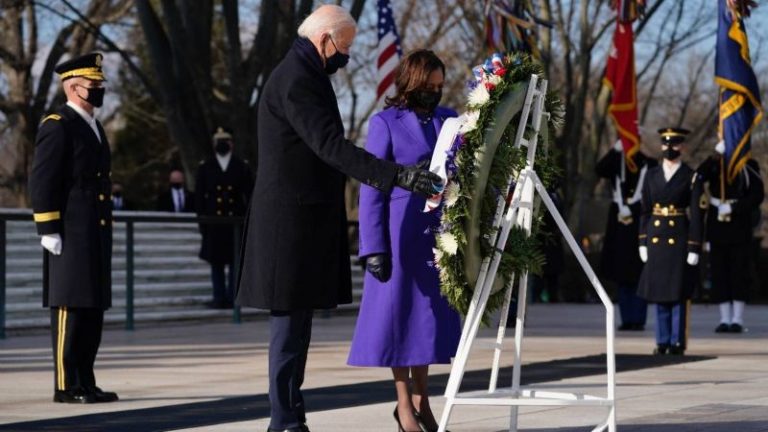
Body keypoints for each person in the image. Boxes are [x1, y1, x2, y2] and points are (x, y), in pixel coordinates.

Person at [235, 6, 443, 432]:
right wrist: (397, 175)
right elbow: (330, 145)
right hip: (287, 226)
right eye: (344, 47)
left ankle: (291, 415)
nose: (345, 55)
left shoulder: (308, 75)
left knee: (299, 330)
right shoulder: (296, 80)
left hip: (302, 222)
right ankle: (283, 421)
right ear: (324, 39)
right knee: (288, 331)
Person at [346, 50, 461, 432]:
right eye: (428, 86)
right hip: (399, 233)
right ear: (411, 82)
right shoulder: (385, 123)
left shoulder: (450, 121)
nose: (435, 92)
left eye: (440, 86)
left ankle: (422, 400)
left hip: (438, 236)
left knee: (427, 322)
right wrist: (373, 247)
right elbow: (371, 188)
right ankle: (403, 405)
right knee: (399, 321)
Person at [28, 52, 118, 404]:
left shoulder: (94, 125)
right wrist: (48, 227)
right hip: (69, 230)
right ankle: (66, 385)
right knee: (70, 307)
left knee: (93, 308)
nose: (99, 90)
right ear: (73, 87)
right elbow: (43, 179)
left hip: (94, 230)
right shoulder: (58, 124)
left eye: (99, 85)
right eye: (93, 86)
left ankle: (86, 379)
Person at [637, 127, 704, 356]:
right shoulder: (651, 174)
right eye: (665, 145)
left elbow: (696, 213)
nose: (669, 149)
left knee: (677, 294)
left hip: (679, 237)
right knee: (659, 293)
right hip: (656, 238)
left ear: (682, 147)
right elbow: (645, 211)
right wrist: (642, 241)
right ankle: (662, 340)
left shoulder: (691, 176)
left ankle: (677, 341)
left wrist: (694, 245)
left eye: (674, 145)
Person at [696, 141, 763, 333]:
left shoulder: (748, 165)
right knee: (719, 272)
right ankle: (724, 318)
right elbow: (699, 176)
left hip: (739, 224)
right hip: (717, 224)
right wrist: (715, 155)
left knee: (738, 272)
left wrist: (734, 207)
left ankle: (737, 319)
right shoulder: (716, 164)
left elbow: (757, 194)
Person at [596, 140, 657, 331]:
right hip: (619, 222)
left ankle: (638, 318)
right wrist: (615, 150)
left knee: (639, 273)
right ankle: (626, 318)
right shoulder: (616, 162)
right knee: (622, 273)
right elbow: (600, 169)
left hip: (640, 217)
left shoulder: (647, 163)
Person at [195, 127, 254, 309]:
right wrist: (203, 222)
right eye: (219, 141)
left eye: (225, 141)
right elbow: (199, 197)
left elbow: (250, 194)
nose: (222, 144)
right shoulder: (205, 167)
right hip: (214, 221)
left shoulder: (241, 166)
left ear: (231, 144)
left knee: (235, 262)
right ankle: (218, 297)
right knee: (216, 262)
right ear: (214, 145)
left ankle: (233, 296)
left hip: (235, 221)